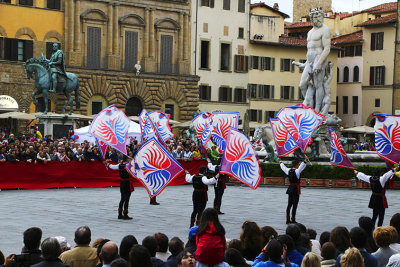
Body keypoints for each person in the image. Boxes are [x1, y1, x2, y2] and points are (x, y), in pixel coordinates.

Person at [295, 8, 331, 113]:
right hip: (309, 61)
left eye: (320, 16)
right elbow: (310, 48)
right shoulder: (310, 32)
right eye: (316, 17)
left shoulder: (325, 30)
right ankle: (309, 103)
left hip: (319, 59)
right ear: (312, 18)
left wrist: (319, 63)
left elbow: (327, 48)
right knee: (302, 84)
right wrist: (305, 63)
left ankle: (317, 109)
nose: (318, 19)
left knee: (318, 85)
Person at [185, 163, 218, 227]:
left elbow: (188, 179)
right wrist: (216, 177)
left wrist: (187, 173)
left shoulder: (194, 176)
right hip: (202, 194)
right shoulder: (203, 177)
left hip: (195, 194)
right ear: (204, 171)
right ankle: (198, 225)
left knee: (195, 209)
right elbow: (208, 182)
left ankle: (191, 224)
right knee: (200, 210)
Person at [279, 156, 308, 224]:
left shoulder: (288, 170)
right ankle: (293, 219)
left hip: (290, 188)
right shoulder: (297, 171)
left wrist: (280, 161)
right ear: (297, 164)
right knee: (295, 205)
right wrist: (305, 160)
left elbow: (283, 167)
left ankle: (287, 219)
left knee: (289, 204)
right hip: (296, 189)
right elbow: (302, 166)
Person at [107, 155, 134, 220]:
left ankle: (119, 214)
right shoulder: (128, 166)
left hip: (122, 183)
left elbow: (112, 166)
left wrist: (108, 164)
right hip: (127, 183)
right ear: (127, 159)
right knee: (127, 198)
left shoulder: (120, 165)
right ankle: (125, 214)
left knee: (122, 198)